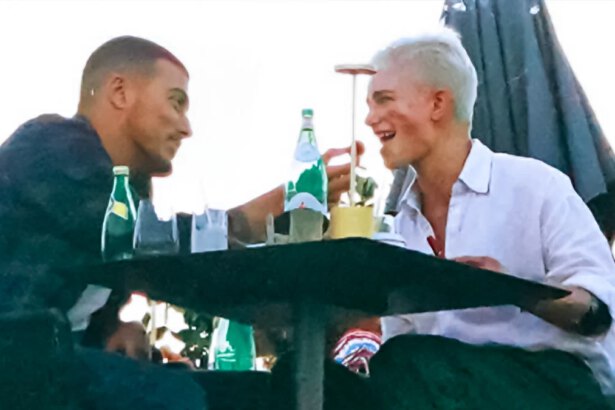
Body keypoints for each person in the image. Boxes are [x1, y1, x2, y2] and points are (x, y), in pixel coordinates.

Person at [0, 35, 360, 409]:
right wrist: (247, 220)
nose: (186, 127)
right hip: (19, 366)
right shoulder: (50, 147)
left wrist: (114, 326)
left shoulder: (125, 186)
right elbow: (138, 239)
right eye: (176, 102)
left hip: (57, 362)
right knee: (179, 397)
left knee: (257, 394)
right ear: (120, 92)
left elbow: (99, 270)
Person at [274, 27, 615, 410]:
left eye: (384, 100)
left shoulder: (535, 186)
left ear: (438, 103)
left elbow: (598, 312)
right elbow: (396, 339)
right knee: (299, 377)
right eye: (369, 105)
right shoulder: (400, 225)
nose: (370, 119)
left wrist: (515, 290)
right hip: (437, 385)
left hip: (555, 387)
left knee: (406, 361)